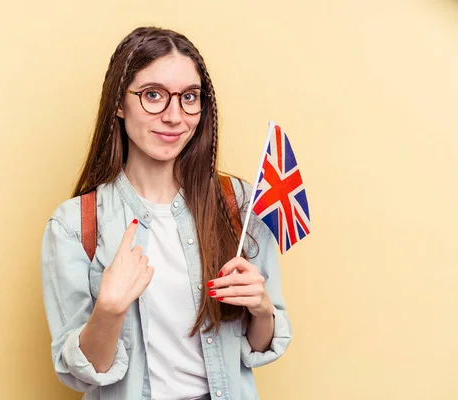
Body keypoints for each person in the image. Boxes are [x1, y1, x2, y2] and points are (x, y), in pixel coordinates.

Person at [41, 26, 292, 400]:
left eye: (189, 97)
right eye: (153, 95)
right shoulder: (76, 224)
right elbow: (84, 375)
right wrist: (109, 310)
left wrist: (262, 310)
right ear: (118, 104)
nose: (175, 116)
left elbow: (257, 349)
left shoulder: (236, 202)